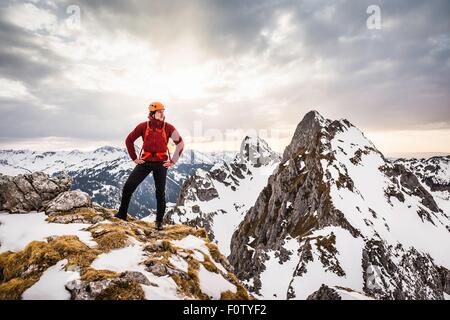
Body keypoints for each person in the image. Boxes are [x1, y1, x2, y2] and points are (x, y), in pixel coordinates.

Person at [115, 102, 184, 230]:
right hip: (145, 162)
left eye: (163, 111)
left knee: (160, 193)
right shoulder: (143, 126)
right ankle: (122, 214)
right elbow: (129, 140)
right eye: (159, 112)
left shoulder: (168, 127)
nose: (162, 114)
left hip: (161, 164)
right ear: (152, 114)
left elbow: (180, 143)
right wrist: (135, 158)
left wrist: (173, 161)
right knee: (128, 187)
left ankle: (159, 222)